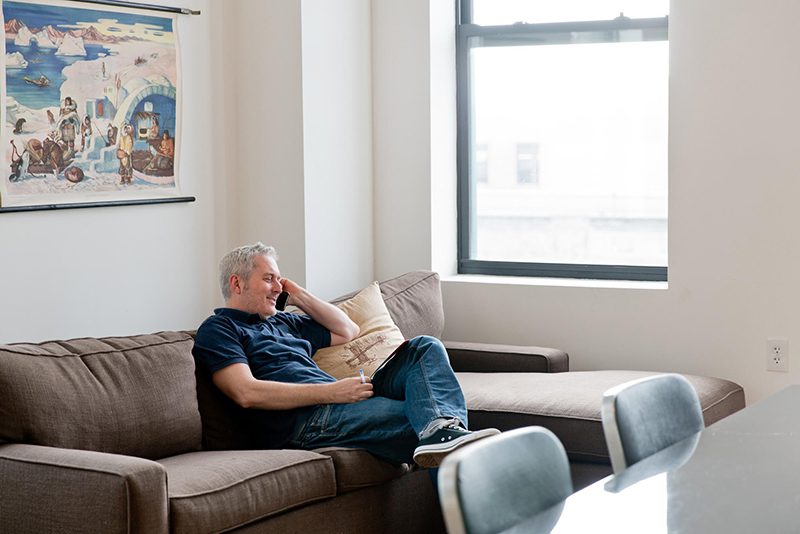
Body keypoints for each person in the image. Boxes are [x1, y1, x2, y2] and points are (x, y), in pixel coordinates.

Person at [193, 243, 499, 468]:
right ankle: (446, 441)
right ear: (237, 283)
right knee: (422, 421)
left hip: (338, 401)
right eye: (269, 278)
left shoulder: (282, 321)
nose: (277, 287)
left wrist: (297, 294)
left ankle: (441, 432)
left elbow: (347, 329)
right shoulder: (219, 330)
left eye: (279, 279)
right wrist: (331, 391)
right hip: (306, 421)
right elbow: (246, 393)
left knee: (424, 348)